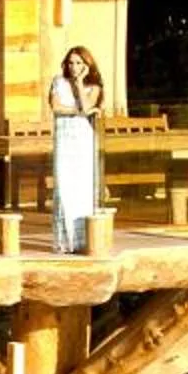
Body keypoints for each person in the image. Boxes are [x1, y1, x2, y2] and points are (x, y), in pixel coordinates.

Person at [48, 47, 105, 253]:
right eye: (71, 63)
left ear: (87, 65)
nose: (74, 67)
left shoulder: (94, 86)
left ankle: (84, 240)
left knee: (82, 190)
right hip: (64, 140)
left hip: (83, 140)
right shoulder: (58, 81)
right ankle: (65, 241)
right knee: (63, 188)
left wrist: (80, 83)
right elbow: (56, 108)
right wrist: (78, 111)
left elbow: (87, 104)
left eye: (79, 63)